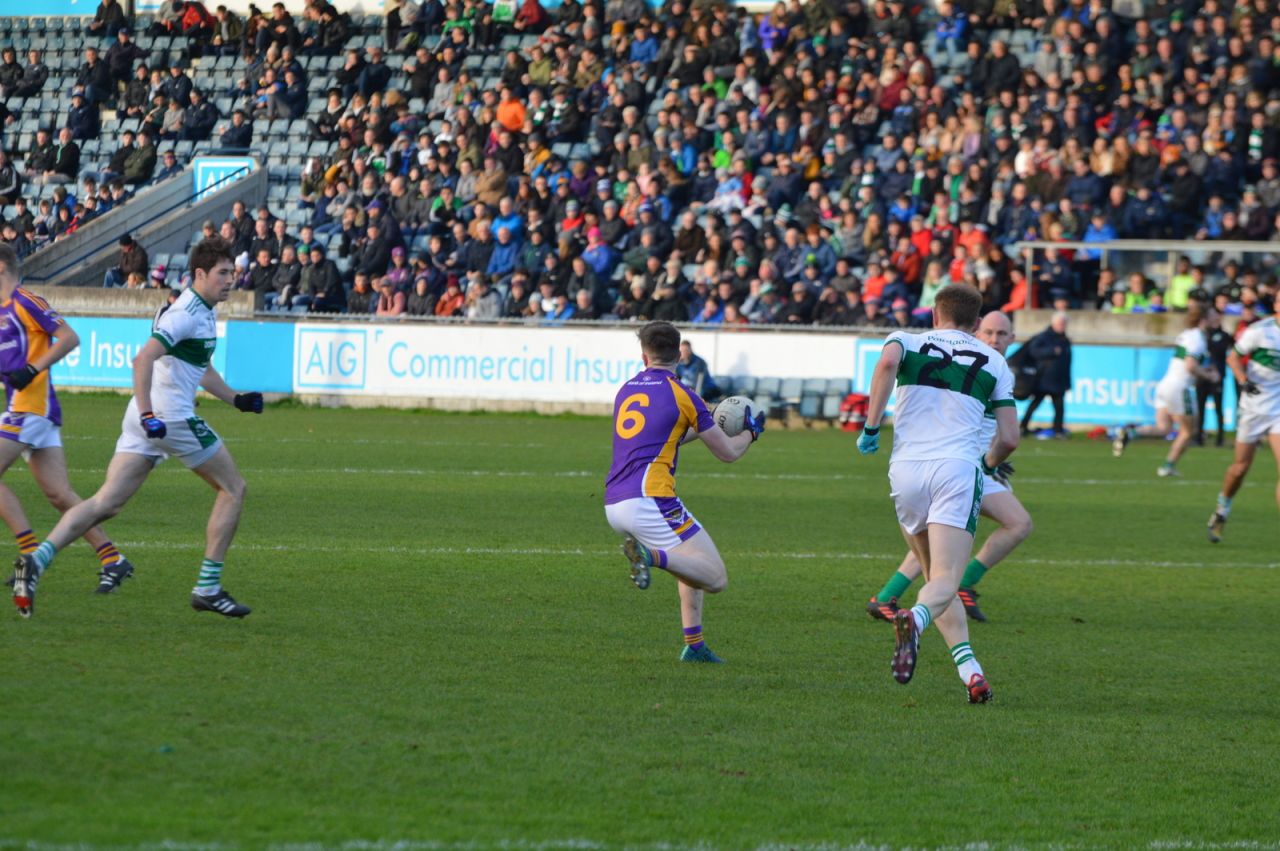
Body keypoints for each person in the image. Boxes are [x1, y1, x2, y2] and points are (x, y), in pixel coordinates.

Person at [12, 237, 264, 619]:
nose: (231, 279)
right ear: (200, 273)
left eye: (233, 272)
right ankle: (208, 587)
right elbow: (141, 359)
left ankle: (37, 561)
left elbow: (199, 367)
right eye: (223, 273)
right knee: (234, 488)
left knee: (105, 503)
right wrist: (150, 414)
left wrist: (235, 399)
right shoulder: (185, 313)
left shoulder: (200, 308)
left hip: (146, 418)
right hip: (169, 417)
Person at [857, 285, 1018, 703]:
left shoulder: (906, 340)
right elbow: (1010, 439)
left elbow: (887, 362)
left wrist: (872, 428)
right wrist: (988, 462)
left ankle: (972, 673)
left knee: (934, 578)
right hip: (956, 470)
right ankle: (915, 617)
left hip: (905, 471)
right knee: (945, 581)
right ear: (978, 323)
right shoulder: (996, 362)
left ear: (934, 314)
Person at [604, 321, 764, 664]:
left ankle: (695, 646)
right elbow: (728, 452)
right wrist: (751, 431)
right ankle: (650, 556)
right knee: (716, 578)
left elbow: (668, 436)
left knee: (691, 557)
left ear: (644, 356)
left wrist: (706, 417)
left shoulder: (626, 390)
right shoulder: (683, 395)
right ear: (679, 354)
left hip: (616, 500)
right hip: (651, 499)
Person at [866, 310, 1032, 624]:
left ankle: (891, 595)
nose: (994, 339)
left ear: (1012, 339)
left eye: (1001, 334)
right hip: (961, 467)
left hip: (970, 466)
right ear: (976, 332)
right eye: (989, 332)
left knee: (941, 534)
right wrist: (989, 459)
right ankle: (958, 588)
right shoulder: (972, 365)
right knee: (1013, 524)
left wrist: (993, 458)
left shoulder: (993, 369)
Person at [0, 244, 136, 606]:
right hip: (28, 411)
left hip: (32, 409)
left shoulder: (26, 300)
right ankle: (112, 558)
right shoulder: (2, 311)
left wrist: (31, 369)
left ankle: (28, 554)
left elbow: (70, 337)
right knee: (60, 495)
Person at [1113, 307, 1221, 477]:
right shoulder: (1198, 339)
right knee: (1188, 432)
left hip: (1165, 384)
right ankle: (1167, 466)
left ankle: (1131, 433)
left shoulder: (1187, 334)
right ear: (1204, 318)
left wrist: (1205, 368)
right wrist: (1209, 376)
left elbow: (1188, 360)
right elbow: (1190, 365)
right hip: (1180, 387)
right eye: (1214, 314)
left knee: (1163, 428)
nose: (1218, 317)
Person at [1207, 313, 1280, 543]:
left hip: (1279, 410)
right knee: (1240, 468)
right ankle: (1222, 507)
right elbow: (1233, 357)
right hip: (1254, 408)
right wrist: (1242, 379)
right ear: (1276, 305)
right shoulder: (1260, 330)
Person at [1019, 312, 1073, 437]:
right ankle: (1023, 427)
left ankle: (1058, 430)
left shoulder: (1065, 340)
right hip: (1044, 378)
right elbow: (1033, 351)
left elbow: (1067, 363)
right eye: (1060, 323)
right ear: (1053, 323)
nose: (1062, 326)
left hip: (1058, 380)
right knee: (1035, 404)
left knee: (1059, 407)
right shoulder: (1043, 337)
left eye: (1064, 323)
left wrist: (1068, 382)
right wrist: (1052, 351)